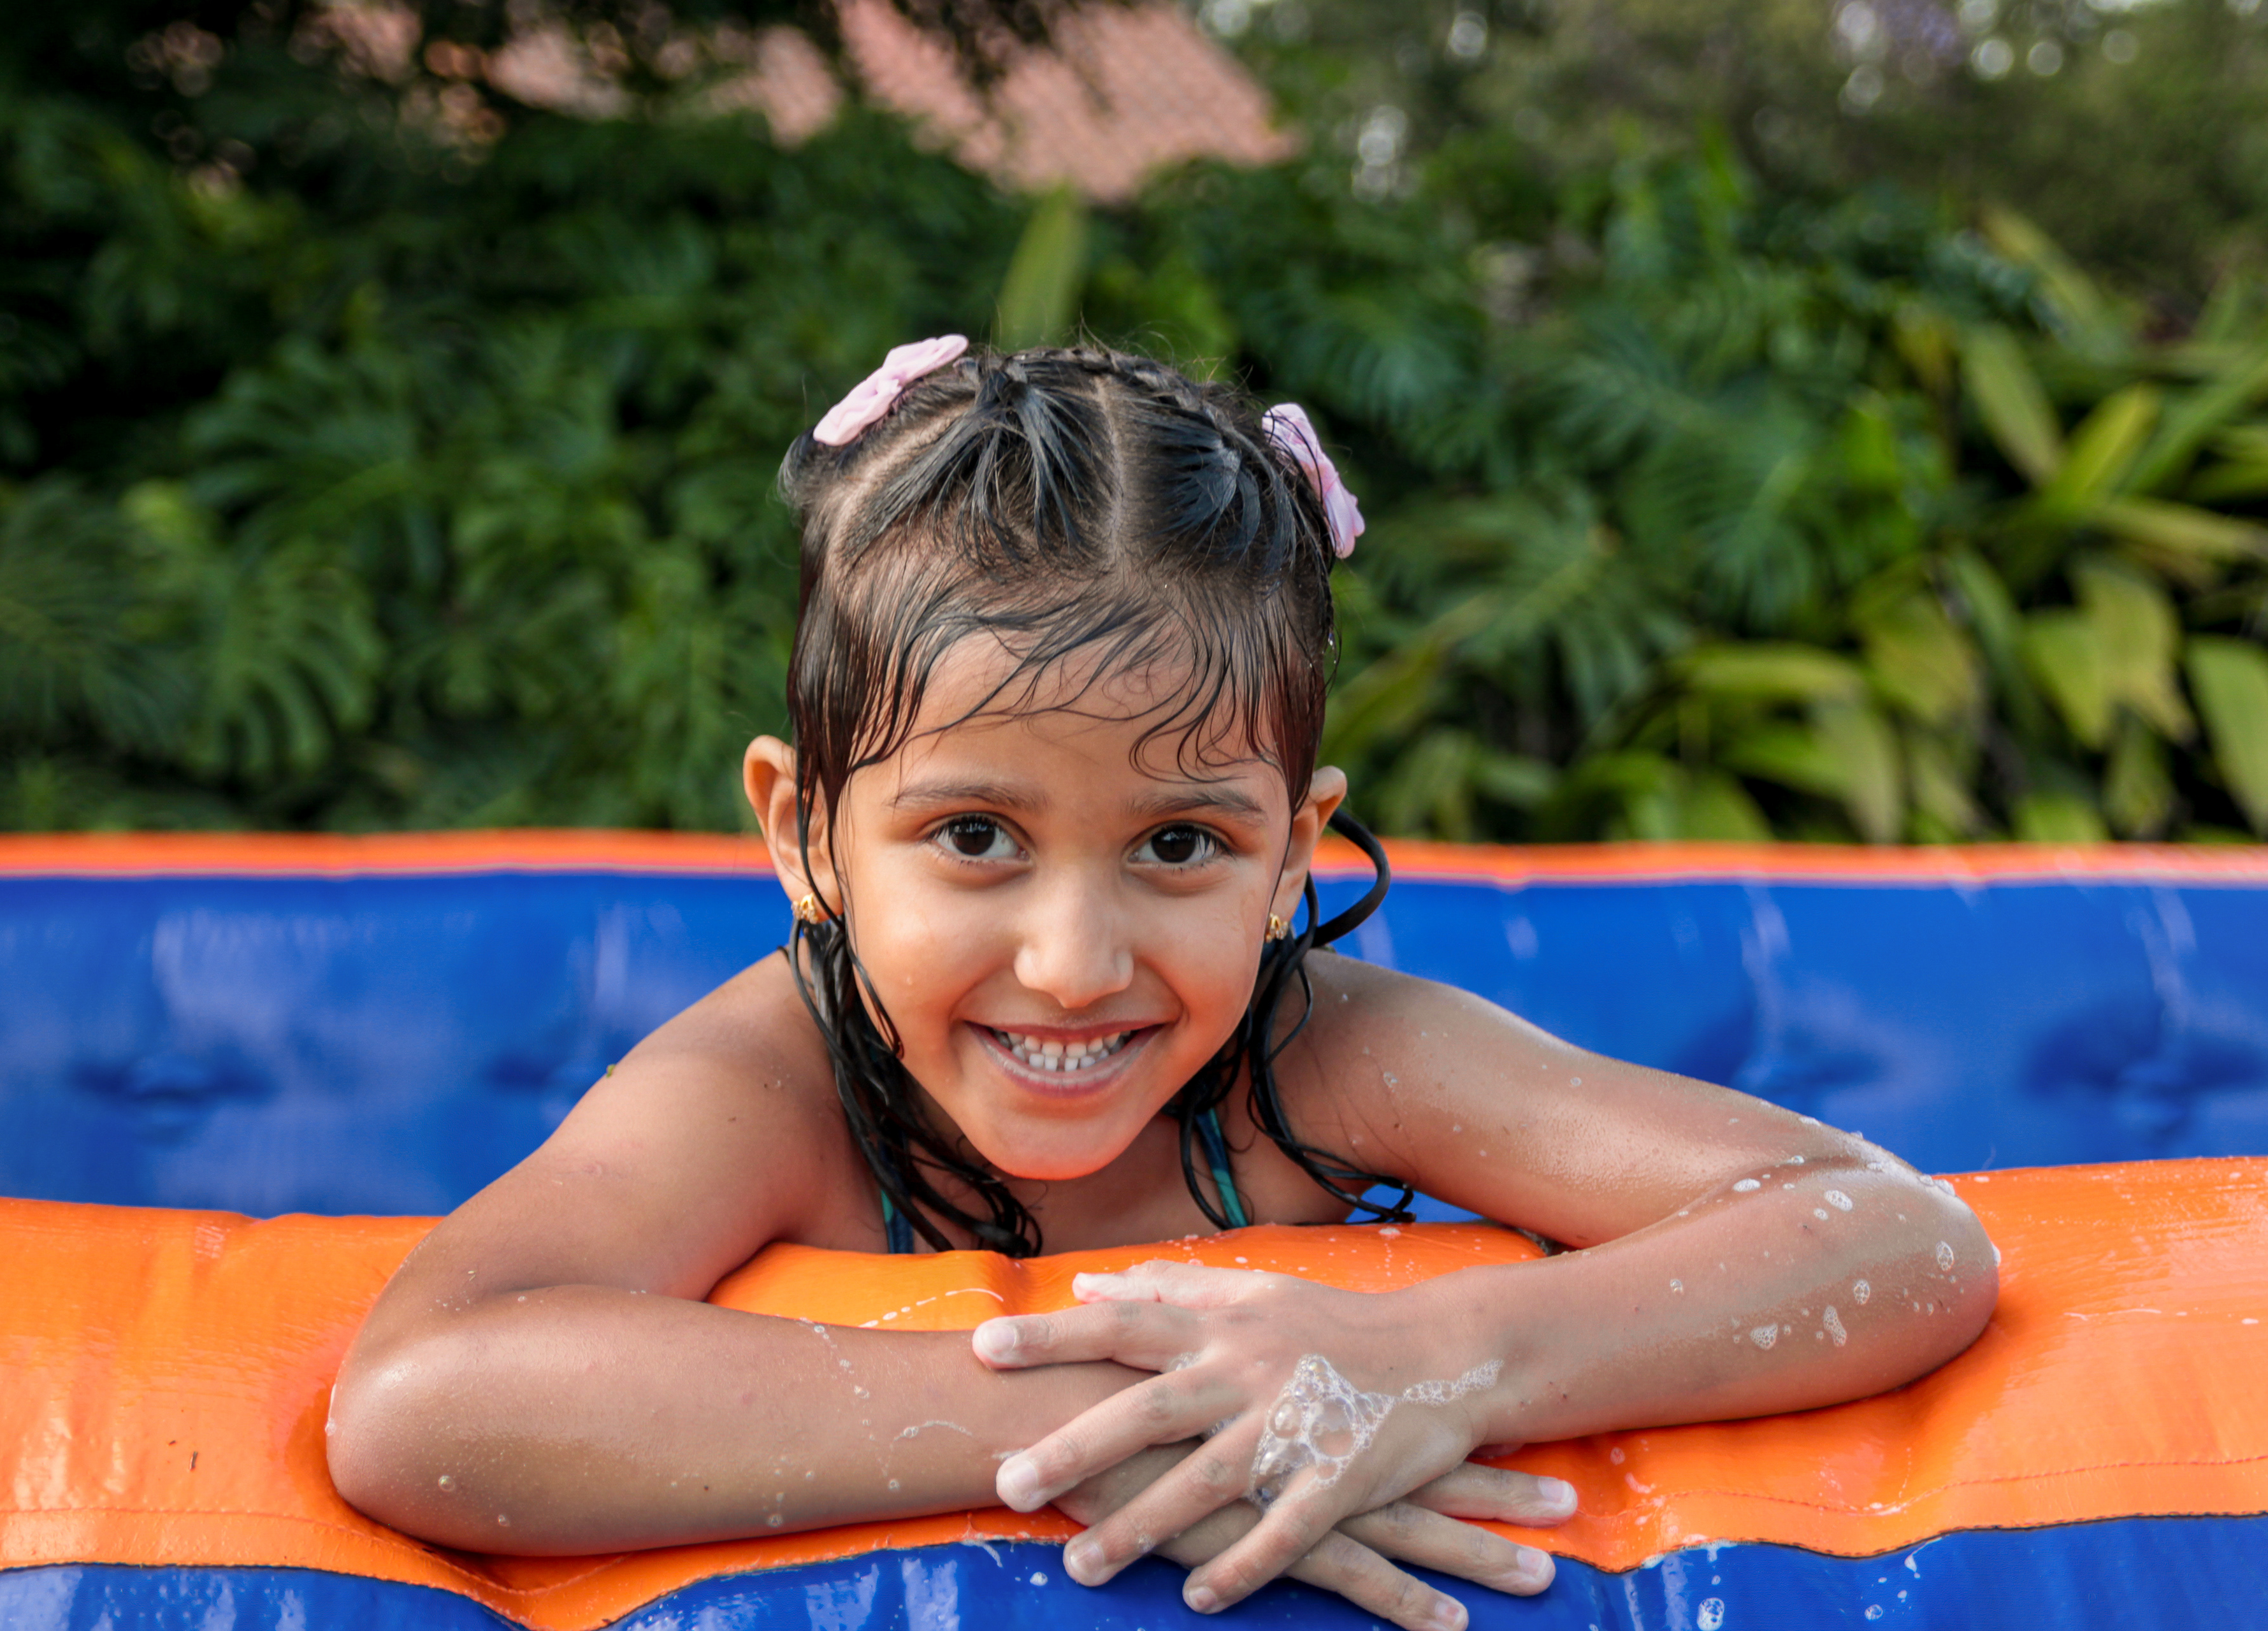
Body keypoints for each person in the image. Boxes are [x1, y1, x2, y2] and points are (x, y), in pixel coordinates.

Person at [328, 339, 1998, 1631]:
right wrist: (1132, 1417)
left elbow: (1891, 1237)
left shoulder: (1326, 1057)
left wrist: (1435, 1363)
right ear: (805, 832)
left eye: (1183, 845)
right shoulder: (775, 1086)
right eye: (975, 835)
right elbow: (425, 1404)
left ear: (1294, 853)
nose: (1073, 964)